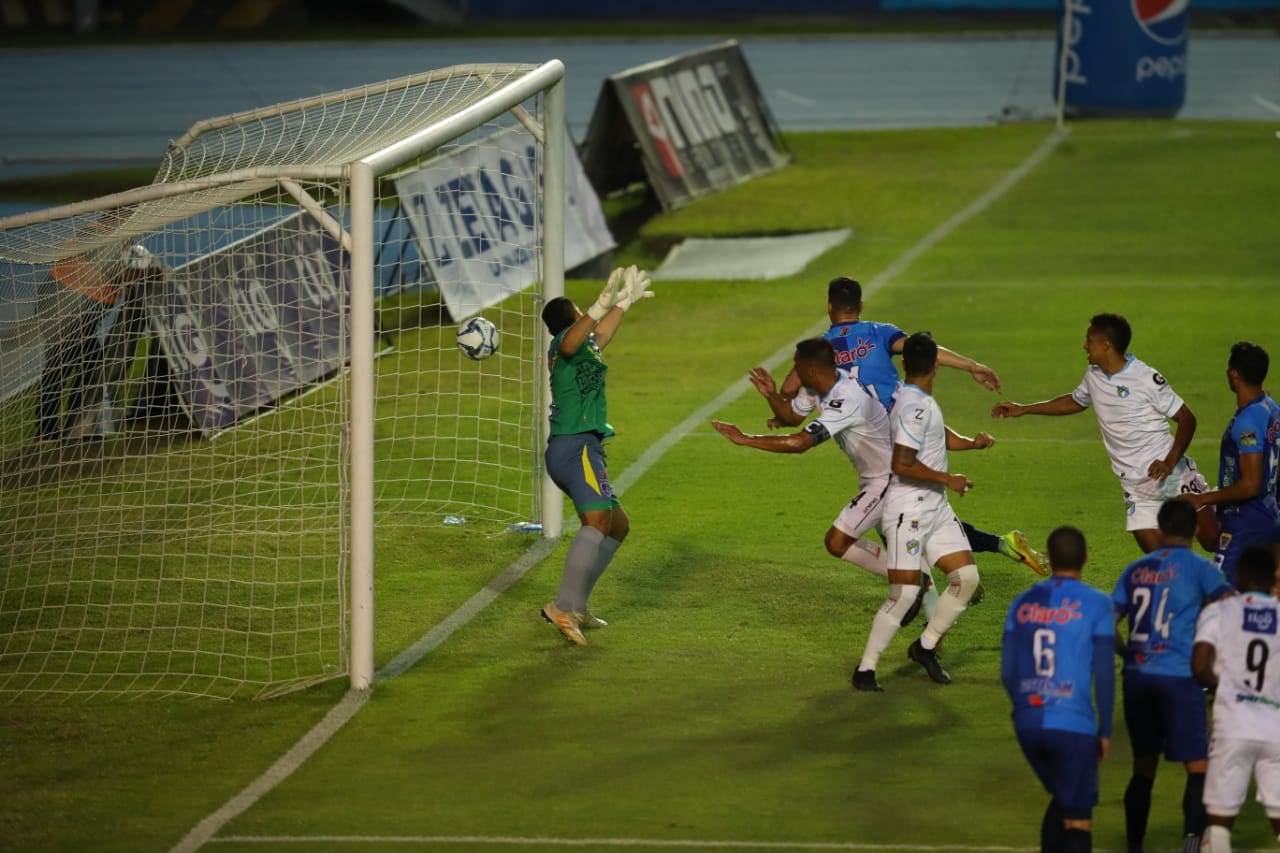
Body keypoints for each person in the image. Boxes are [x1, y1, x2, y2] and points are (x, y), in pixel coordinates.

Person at [758, 275, 1047, 576]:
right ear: (860, 306)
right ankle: (970, 563)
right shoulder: (878, 332)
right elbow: (923, 350)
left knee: (907, 524)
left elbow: (791, 389)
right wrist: (970, 365)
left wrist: (780, 409)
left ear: (829, 307)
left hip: (880, 448)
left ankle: (979, 560)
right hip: (905, 429)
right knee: (912, 522)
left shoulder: (820, 353)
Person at [711, 336, 895, 642]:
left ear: (810, 368)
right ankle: (921, 589)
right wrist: (772, 396)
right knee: (904, 545)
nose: (793, 371)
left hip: (889, 480)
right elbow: (791, 417)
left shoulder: (845, 399)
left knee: (837, 542)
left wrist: (746, 439)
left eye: (796, 365)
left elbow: (799, 444)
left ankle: (912, 577)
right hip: (877, 478)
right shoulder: (819, 387)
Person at [992, 312, 1212, 554]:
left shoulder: (1145, 377)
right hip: (1135, 486)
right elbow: (1075, 402)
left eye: (1089, 339)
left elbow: (1187, 419)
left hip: (1171, 475)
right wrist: (1024, 409)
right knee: (1162, 561)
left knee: (1213, 541)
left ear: (1106, 344)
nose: (1084, 345)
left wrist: (1169, 462)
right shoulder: (1093, 375)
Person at [852, 332, 989, 690]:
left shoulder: (908, 395)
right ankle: (865, 669)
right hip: (908, 510)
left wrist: (972, 444)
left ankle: (924, 647)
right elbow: (902, 462)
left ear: (903, 364)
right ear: (937, 365)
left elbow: (938, 436)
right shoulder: (915, 406)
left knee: (967, 579)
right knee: (905, 595)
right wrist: (949, 478)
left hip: (935, 507)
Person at [538, 265, 653, 646]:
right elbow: (574, 341)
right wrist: (598, 305)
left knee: (617, 526)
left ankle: (578, 606)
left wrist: (623, 303)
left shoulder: (585, 345)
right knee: (597, 522)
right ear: (571, 318)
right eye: (579, 313)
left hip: (586, 449)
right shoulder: (561, 345)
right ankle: (562, 606)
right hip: (574, 447)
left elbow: (599, 336)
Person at [1112, 498, 1234, 853]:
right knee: (1197, 766)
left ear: (1161, 529)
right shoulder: (1201, 569)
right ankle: (1192, 843)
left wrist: (1126, 653)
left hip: (1138, 675)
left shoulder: (1135, 570)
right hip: (1180, 676)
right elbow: (1231, 607)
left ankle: (1135, 844)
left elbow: (1107, 624)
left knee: (1143, 768)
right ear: (1196, 530)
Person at [1002, 525, 1116, 853]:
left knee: (1064, 799)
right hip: (1073, 726)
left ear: (1049, 560)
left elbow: (1009, 671)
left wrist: (1026, 707)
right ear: (1086, 558)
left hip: (1028, 723)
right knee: (1078, 816)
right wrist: (1105, 731)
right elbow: (1106, 674)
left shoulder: (1022, 603)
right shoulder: (1097, 603)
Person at [1192, 545, 1280, 853]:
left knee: (1218, 826)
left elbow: (1200, 666)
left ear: (1238, 577)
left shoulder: (1219, 611)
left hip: (1232, 726)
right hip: (1274, 729)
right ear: (1273, 579)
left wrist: (1224, 686)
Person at [35, 229, 156, 442]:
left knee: (86, 367)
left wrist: (129, 281)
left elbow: (116, 281)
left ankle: (73, 426)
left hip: (75, 310)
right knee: (63, 368)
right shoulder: (100, 234)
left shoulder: (116, 237)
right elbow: (113, 273)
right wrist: (139, 275)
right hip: (65, 309)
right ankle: (49, 430)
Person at [1183, 342, 1280, 588]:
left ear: (1234, 373)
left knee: (1219, 595)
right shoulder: (1271, 407)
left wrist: (1203, 499)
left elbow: (1249, 485)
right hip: (1270, 514)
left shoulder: (1247, 422)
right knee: (1263, 592)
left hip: (1247, 523)